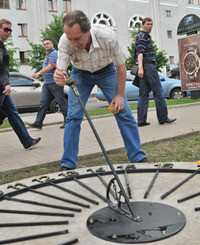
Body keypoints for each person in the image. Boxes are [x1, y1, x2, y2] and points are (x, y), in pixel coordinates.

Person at [53, 10, 148, 171]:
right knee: (73, 116)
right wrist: (59, 76)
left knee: (123, 111)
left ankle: (137, 156)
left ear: (88, 30)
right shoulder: (65, 41)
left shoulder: (107, 36)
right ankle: (67, 164)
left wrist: (119, 95)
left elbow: (121, 67)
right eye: (70, 39)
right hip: (80, 74)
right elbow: (61, 70)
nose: (73, 43)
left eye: (77, 38)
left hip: (107, 71)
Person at [0, 19, 41, 149]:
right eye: (5, 29)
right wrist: (6, 83)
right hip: (1, 85)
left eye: (10, 30)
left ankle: (27, 141)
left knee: (12, 112)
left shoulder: (2, 46)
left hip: (3, 85)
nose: (8, 32)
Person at [136, 17, 176, 127]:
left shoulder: (141, 36)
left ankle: (141, 120)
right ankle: (163, 118)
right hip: (148, 68)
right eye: (148, 24)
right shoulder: (143, 37)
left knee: (143, 95)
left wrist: (141, 68)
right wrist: (140, 68)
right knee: (159, 93)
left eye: (151, 24)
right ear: (143, 25)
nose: (150, 26)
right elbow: (140, 53)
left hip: (145, 69)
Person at [29, 38, 68, 129]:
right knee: (43, 103)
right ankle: (38, 123)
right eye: (44, 44)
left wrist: (39, 73)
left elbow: (50, 67)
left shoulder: (54, 53)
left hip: (55, 82)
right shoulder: (48, 55)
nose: (46, 45)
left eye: (47, 43)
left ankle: (68, 121)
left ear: (52, 45)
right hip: (47, 83)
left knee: (61, 101)